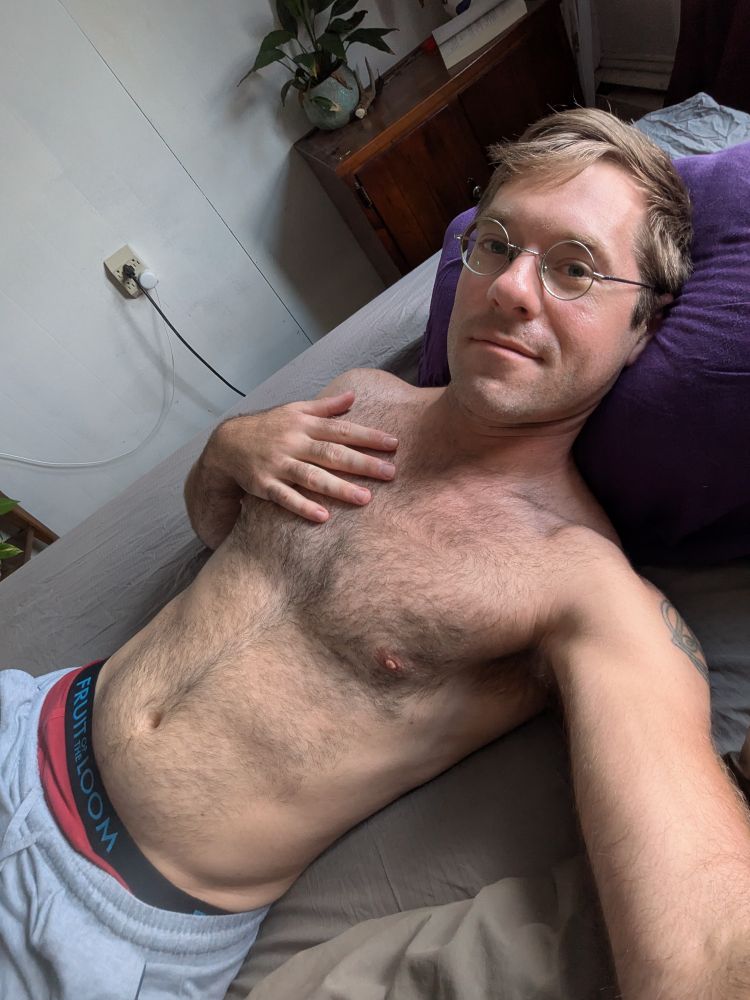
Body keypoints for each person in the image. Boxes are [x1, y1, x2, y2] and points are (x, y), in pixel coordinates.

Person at [2, 108, 748, 1000]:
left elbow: (705, 941)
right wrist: (226, 450)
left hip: (93, 917)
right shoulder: (359, 398)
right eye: (497, 244)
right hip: (25, 717)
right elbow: (219, 538)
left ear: (644, 326)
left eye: (575, 267)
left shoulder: (579, 584)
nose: (513, 288)